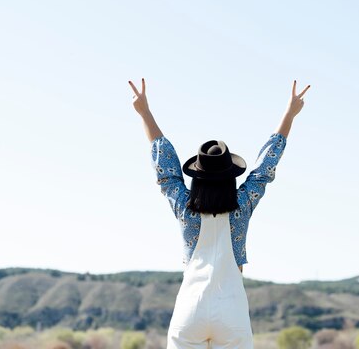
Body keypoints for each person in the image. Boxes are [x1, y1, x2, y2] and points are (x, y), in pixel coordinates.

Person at [128, 78, 310, 349]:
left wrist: (145, 113)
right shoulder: (242, 205)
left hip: (190, 307)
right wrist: (289, 115)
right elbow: (264, 168)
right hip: (232, 310)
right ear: (231, 177)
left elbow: (165, 167)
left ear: (196, 178)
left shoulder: (185, 207)